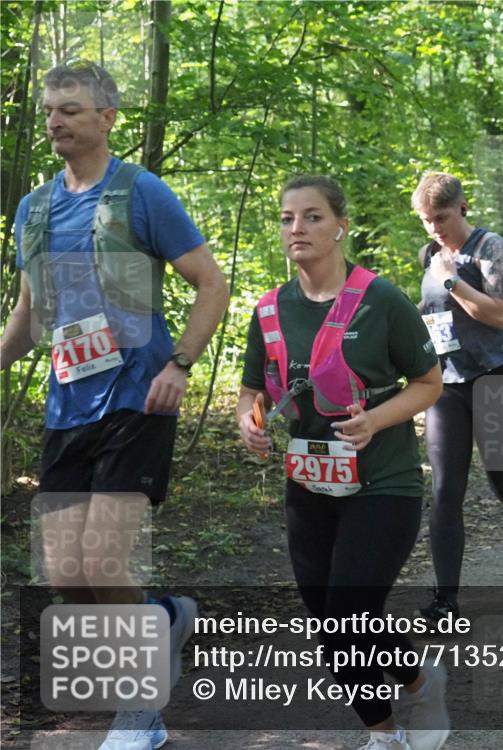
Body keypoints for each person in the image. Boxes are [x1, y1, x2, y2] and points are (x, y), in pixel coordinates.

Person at [0, 61, 229, 748]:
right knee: (68, 576)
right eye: (49, 111)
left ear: (107, 119)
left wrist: (181, 365)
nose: (55, 121)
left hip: (137, 398)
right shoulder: (33, 209)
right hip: (67, 404)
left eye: (70, 109)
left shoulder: (140, 194)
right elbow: (29, 316)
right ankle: (163, 618)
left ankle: (143, 716)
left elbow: (211, 285)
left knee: (102, 562)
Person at [237, 175, 448, 750]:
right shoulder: (268, 309)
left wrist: (375, 421)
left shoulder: (381, 300)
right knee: (332, 623)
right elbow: (252, 390)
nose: (296, 228)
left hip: (384, 482)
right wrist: (249, 423)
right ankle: (387, 726)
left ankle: (415, 696)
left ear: (339, 227)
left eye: (311, 217)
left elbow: (429, 383)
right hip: (308, 484)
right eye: (286, 218)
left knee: (350, 610)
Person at [411, 171, 503, 624]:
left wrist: (453, 280)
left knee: (501, 479)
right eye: (426, 220)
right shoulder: (429, 255)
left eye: (442, 216)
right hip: (446, 384)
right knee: (444, 490)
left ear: (462, 207)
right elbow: (431, 315)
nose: (435, 228)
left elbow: (499, 315)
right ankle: (445, 600)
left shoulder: (488, 248)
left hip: (496, 377)